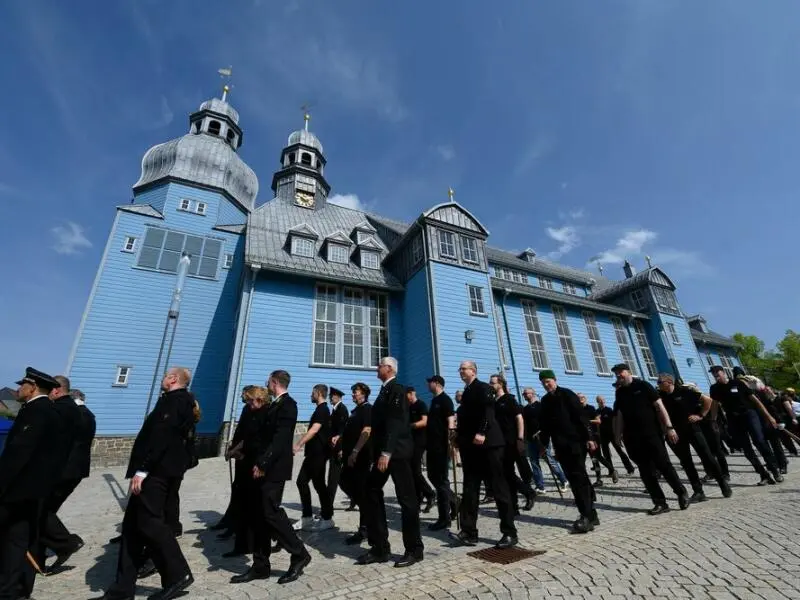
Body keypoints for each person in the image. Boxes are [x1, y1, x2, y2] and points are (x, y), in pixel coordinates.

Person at [92, 367, 195, 600]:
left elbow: (161, 437)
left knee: (150, 523)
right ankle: (122, 589)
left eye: (165, 375)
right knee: (131, 529)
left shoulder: (176, 401)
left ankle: (178, 573)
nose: (162, 379)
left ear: (173, 379)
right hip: (157, 470)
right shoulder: (172, 400)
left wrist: (143, 469)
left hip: (156, 472)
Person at [231, 370, 311, 585]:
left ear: (274, 382)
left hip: (274, 468)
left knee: (270, 513)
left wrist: (263, 463)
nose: (266, 383)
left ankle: (299, 553)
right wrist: (243, 452)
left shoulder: (288, 405)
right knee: (259, 515)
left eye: (269, 381)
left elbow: (280, 439)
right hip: (261, 465)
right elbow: (261, 436)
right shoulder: (273, 404)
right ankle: (260, 566)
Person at [0, 367, 63, 600]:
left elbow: (19, 454)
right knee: (18, 540)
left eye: (22, 385)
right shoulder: (43, 410)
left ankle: (11, 589)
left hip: (19, 490)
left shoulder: (38, 412)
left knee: (15, 540)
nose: (18, 389)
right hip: (30, 490)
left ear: (33, 387)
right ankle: (13, 589)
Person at [357, 357, 423, 568]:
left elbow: (395, 422)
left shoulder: (397, 389)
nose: (377, 367)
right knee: (370, 490)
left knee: (407, 500)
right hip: (383, 453)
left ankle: (414, 549)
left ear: (389, 368)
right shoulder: (385, 390)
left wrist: (386, 452)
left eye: (380, 365)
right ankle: (380, 548)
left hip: (397, 453)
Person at [453, 360, 517, 549]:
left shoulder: (483, 388)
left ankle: (509, 532)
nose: (461, 371)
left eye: (464, 368)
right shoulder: (466, 392)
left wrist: (481, 431)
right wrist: (458, 436)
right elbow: (467, 417)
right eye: (460, 369)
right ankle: (469, 531)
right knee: (470, 489)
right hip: (471, 448)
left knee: (498, 487)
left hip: (488, 444)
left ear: (473, 371)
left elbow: (488, 412)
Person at [611, 363, 689, 515]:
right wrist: (617, 434)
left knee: (664, 465)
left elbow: (659, 406)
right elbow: (619, 415)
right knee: (645, 471)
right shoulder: (620, 393)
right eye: (616, 373)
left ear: (628, 372)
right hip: (632, 438)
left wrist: (669, 427)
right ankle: (660, 502)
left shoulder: (643, 386)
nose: (619, 375)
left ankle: (681, 492)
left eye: (621, 372)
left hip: (651, 434)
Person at [37, 375, 95, 572]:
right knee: (47, 510)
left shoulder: (67, 412)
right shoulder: (87, 414)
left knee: (41, 509)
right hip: (75, 470)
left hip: (63, 470)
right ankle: (44, 550)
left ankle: (66, 543)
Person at [537, 370, 598, 533]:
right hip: (560, 445)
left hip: (576, 442)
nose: (546, 384)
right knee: (575, 478)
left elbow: (581, 416)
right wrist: (543, 445)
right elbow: (545, 426)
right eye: (543, 382)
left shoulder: (567, 394)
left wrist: (590, 437)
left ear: (555, 380)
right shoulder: (545, 400)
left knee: (578, 478)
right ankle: (591, 513)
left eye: (548, 381)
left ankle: (586, 516)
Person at [656, 374, 732, 502]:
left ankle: (723, 484)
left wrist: (700, 415)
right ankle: (698, 491)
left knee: (707, 457)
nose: (658, 384)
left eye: (660, 382)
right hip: (675, 434)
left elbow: (708, 401)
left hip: (692, 430)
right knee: (686, 463)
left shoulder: (685, 391)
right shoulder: (661, 397)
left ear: (669, 382)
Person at [709, 366, 781, 485]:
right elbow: (715, 405)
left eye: (717, 372)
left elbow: (755, 400)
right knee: (746, 449)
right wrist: (713, 421)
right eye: (713, 373)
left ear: (723, 372)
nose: (716, 374)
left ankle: (774, 470)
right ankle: (763, 474)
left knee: (760, 441)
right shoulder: (714, 388)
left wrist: (769, 416)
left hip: (749, 415)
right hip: (733, 419)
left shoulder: (738, 383)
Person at [490, 374, 536, 513]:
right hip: (500, 442)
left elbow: (519, 419)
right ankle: (515, 504)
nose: (490, 385)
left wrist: (520, 439)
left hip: (512, 440)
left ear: (501, 384)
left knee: (518, 470)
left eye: (492, 383)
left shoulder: (509, 399)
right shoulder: (493, 402)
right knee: (507, 473)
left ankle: (528, 492)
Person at [293, 384, 333, 532]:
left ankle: (318, 517)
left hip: (318, 454)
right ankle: (320, 517)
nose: (311, 395)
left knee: (304, 482)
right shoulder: (321, 409)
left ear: (318, 393)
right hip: (316, 454)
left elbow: (314, 430)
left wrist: (298, 444)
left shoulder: (322, 410)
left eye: (312, 392)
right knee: (317, 484)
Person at [339, 382, 373, 545]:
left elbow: (366, 431)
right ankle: (366, 514)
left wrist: (355, 451)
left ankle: (365, 529)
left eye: (356, 392)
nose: (353, 394)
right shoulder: (356, 411)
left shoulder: (367, 409)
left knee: (360, 491)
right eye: (353, 392)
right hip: (350, 456)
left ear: (364, 394)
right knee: (344, 481)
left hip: (361, 457)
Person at [424, 375, 456, 530]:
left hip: (441, 447)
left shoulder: (445, 400)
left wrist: (451, 442)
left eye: (429, 382)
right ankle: (456, 502)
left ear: (436, 383)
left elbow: (451, 420)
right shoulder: (434, 401)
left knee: (441, 481)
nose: (427, 384)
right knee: (433, 477)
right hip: (432, 446)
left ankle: (444, 518)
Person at [521, 387, 567, 493]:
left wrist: (542, 432)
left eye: (526, 393)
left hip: (542, 438)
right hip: (530, 439)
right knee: (534, 462)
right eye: (523, 394)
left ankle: (563, 480)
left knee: (550, 461)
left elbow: (546, 422)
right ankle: (540, 486)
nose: (524, 395)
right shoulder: (525, 408)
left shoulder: (540, 406)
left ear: (532, 394)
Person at [406, 387, 436, 513]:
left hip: (420, 441)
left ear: (412, 394)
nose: (405, 398)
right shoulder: (408, 407)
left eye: (406, 395)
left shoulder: (421, 405)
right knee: (412, 471)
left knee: (416, 471)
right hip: (410, 442)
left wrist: (409, 426)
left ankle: (430, 493)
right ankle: (420, 497)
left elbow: (424, 422)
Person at [578, 393, 617, 486]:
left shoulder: (590, 408)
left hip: (593, 437)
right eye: (578, 398)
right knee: (587, 459)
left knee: (596, 457)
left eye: (582, 397)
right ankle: (586, 480)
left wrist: (587, 421)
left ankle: (607, 473)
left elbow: (598, 421)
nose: (580, 399)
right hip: (582, 438)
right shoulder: (577, 410)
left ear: (585, 398)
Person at [595, 396, 635, 475]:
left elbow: (615, 421)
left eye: (603, 400)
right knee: (606, 454)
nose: (602, 402)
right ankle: (611, 471)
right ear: (597, 402)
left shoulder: (609, 410)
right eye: (600, 401)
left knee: (620, 451)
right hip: (603, 436)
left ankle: (630, 469)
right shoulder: (596, 412)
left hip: (612, 434)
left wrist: (618, 432)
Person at [327, 387, 349, 506]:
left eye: (333, 396)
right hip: (333, 448)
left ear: (339, 397)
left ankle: (328, 506)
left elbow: (343, 431)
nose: (330, 398)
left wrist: (341, 449)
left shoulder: (342, 410)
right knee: (339, 478)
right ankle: (355, 497)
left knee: (333, 478)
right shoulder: (335, 409)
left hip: (338, 449)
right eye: (330, 396)